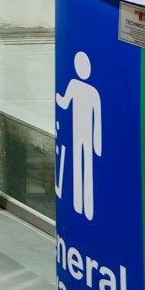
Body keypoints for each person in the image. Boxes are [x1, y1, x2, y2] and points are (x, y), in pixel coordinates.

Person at [56, 51, 102, 221]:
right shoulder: (85, 89)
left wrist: (97, 143)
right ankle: (83, 205)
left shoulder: (78, 86)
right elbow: (66, 102)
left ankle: (82, 205)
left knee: (82, 165)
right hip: (80, 134)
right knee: (84, 165)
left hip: (81, 134)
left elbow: (64, 102)